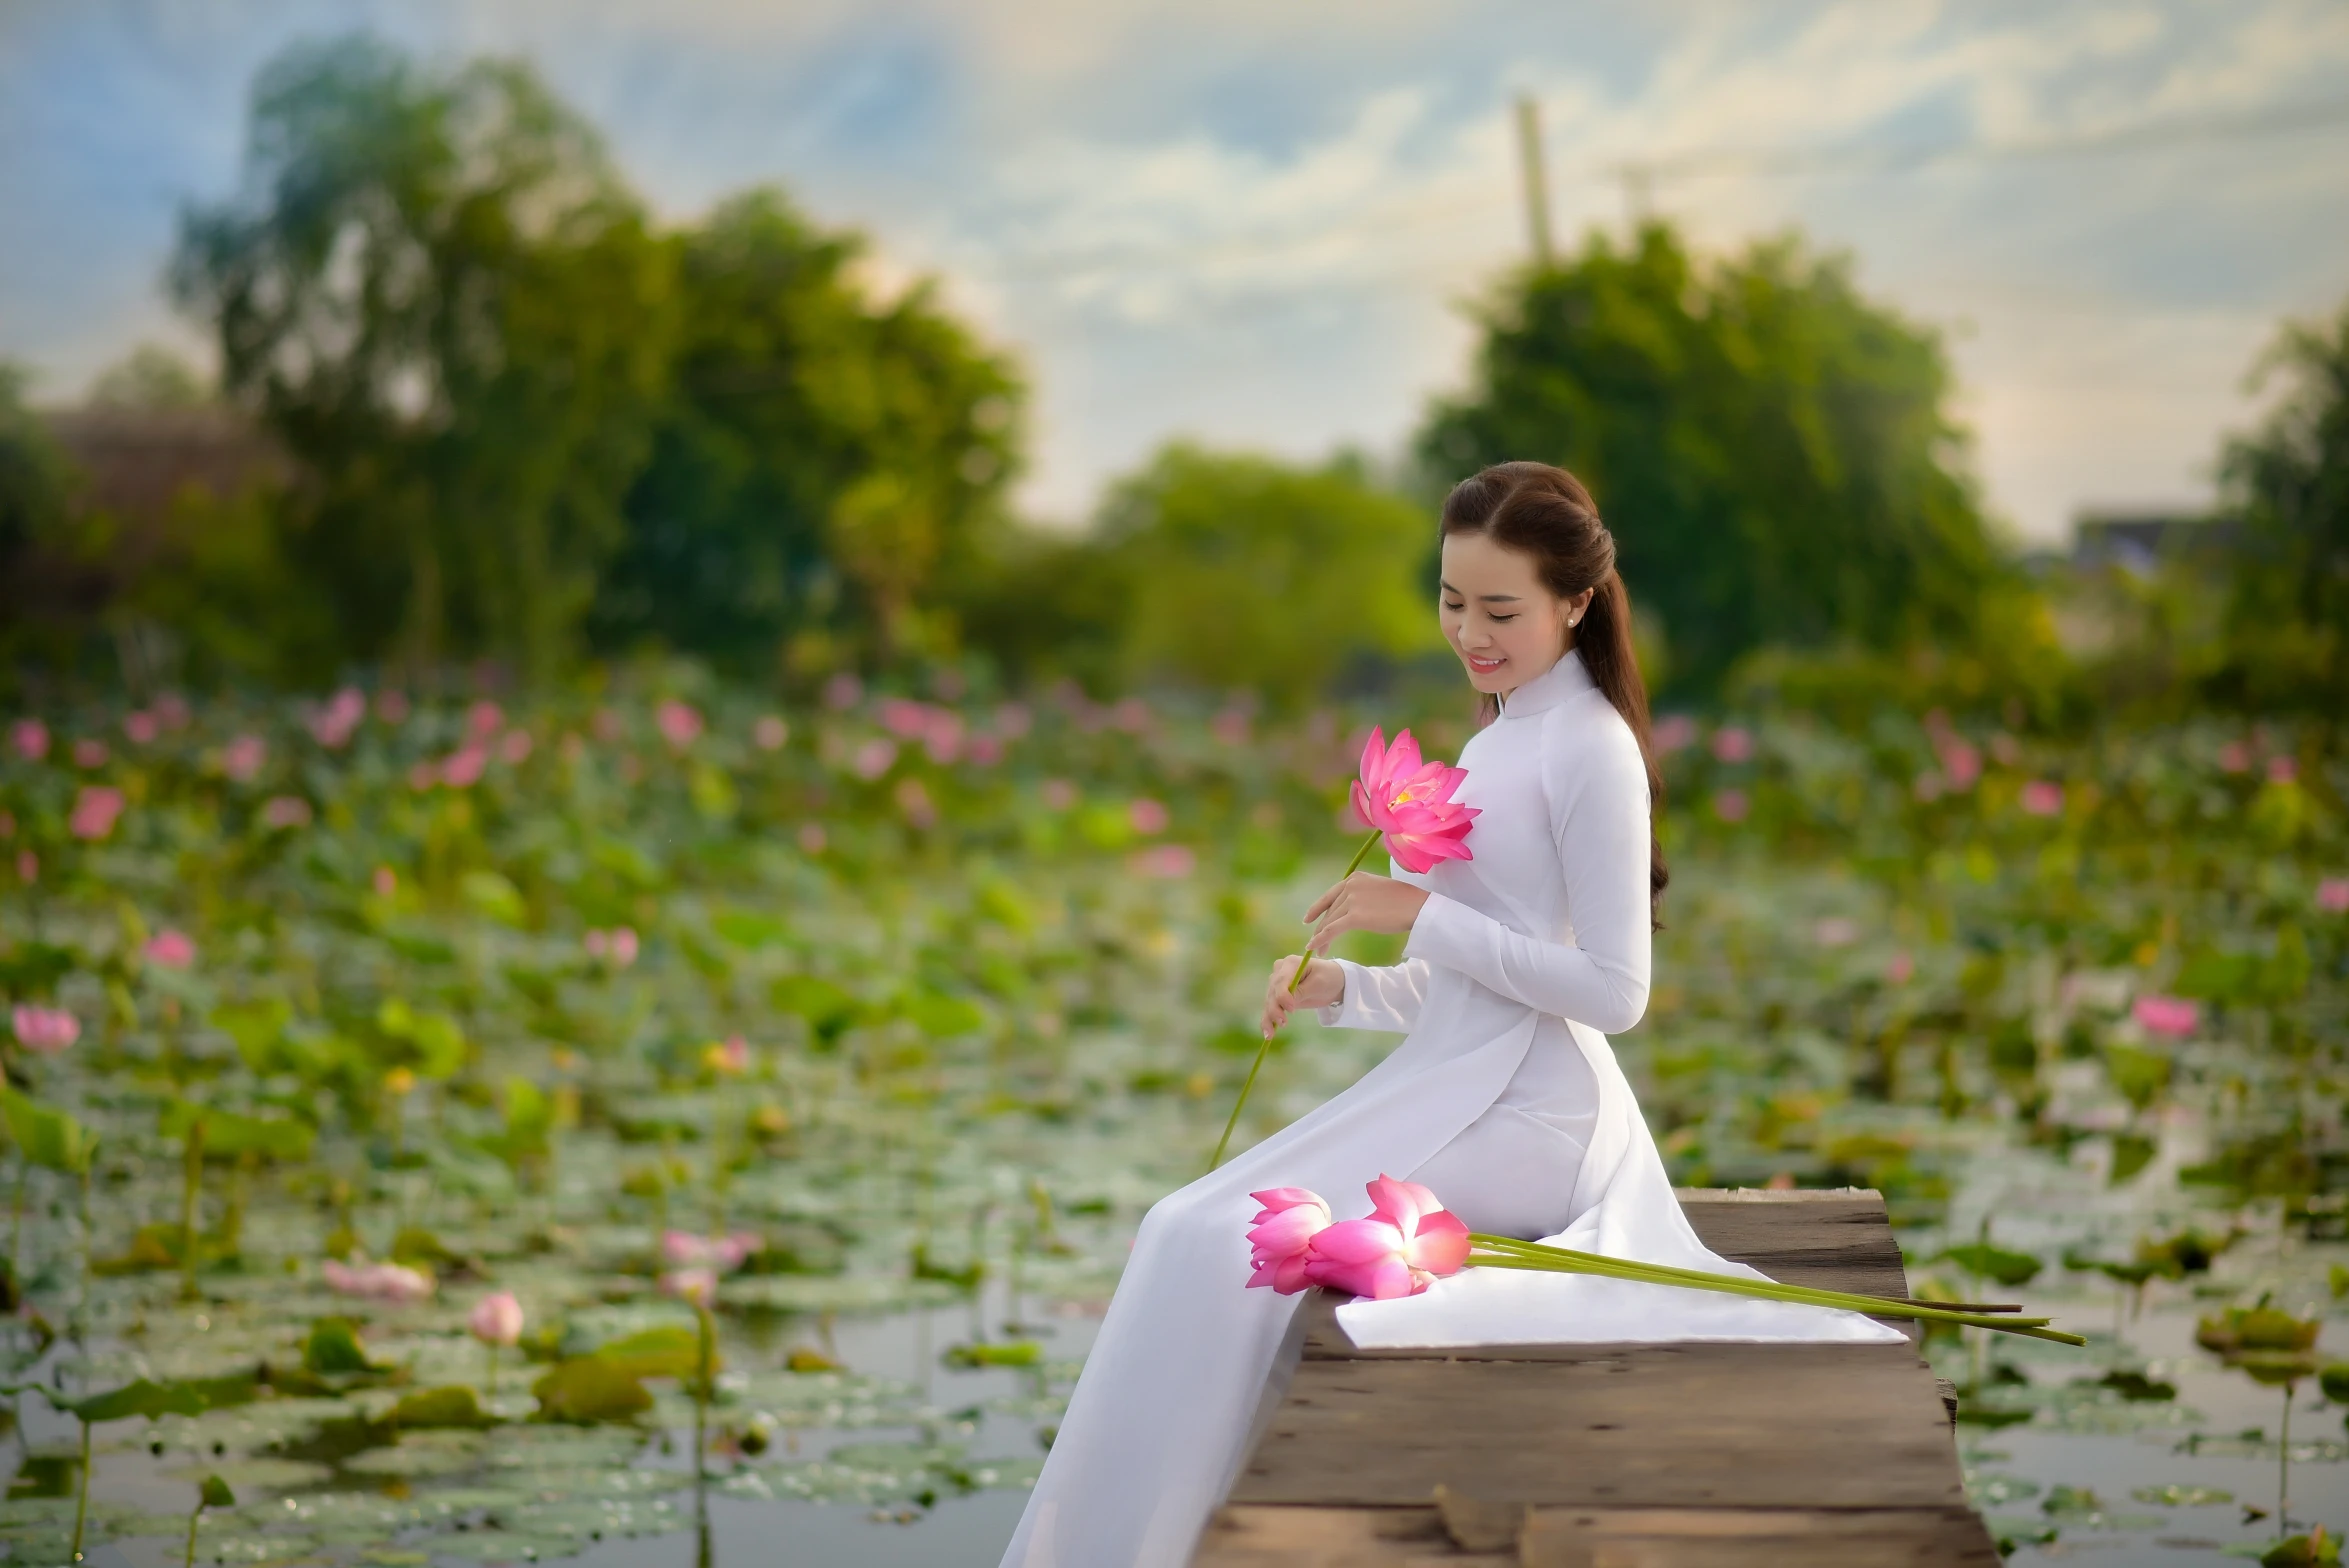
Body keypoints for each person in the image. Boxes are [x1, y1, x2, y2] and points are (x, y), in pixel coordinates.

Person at [997, 461, 1899, 1568]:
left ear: (1576, 600)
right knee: (1182, 1226)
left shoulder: (1592, 746)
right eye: (1452, 600)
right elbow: (1482, 979)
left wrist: (1419, 911)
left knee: (1227, 1240)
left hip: (1543, 1117)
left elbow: (1615, 991)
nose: (1471, 632)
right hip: (1468, 1077)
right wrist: (1350, 989)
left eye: (1501, 608)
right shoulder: (1495, 739)